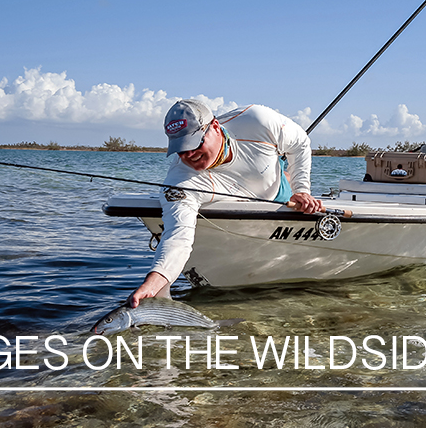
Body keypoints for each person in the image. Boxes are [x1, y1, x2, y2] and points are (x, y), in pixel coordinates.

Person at [128, 99, 322, 306]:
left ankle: (285, 176)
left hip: (276, 190)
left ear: (215, 127)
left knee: (280, 172)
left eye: (195, 144)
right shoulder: (179, 181)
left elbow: (300, 142)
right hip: (233, 194)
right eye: (181, 150)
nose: (189, 155)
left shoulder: (256, 120)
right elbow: (178, 236)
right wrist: (155, 280)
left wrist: (302, 191)